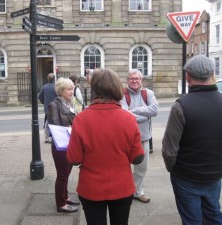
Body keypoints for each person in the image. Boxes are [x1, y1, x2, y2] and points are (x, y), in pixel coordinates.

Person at [67, 68, 144, 225]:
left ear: (94, 88)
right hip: (122, 186)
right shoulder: (129, 119)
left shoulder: (81, 119)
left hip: (91, 187)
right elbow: (137, 158)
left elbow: (74, 159)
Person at [162, 55, 222, 225]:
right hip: (215, 174)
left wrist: (173, 169)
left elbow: (169, 149)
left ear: (188, 77)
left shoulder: (181, 106)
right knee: (214, 214)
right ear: (212, 73)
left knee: (192, 220)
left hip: (186, 176)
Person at [120, 69, 159, 203]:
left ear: (141, 80)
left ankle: (137, 191)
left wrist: (134, 111)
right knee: (123, 167)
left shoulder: (148, 93)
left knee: (142, 167)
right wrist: (145, 114)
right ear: (127, 80)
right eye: (132, 78)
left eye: (137, 78)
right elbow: (124, 116)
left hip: (143, 138)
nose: (135, 81)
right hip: (124, 139)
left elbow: (154, 111)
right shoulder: (122, 95)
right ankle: (123, 190)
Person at [47, 77, 79, 213]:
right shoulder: (54, 105)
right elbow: (54, 126)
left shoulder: (70, 103)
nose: (72, 92)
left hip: (70, 143)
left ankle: (65, 196)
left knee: (67, 173)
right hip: (60, 145)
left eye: (72, 89)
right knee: (62, 174)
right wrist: (70, 127)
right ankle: (61, 204)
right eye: (68, 89)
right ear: (61, 90)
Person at [38, 73, 57, 143]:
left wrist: (44, 102)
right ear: (54, 79)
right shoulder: (55, 87)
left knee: (47, 122)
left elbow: (39, 97)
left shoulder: (44, 87)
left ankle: (47, 137)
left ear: (48, 79)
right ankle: (50, 137)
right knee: (53, 122)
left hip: (47, 108)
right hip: (54, 107)